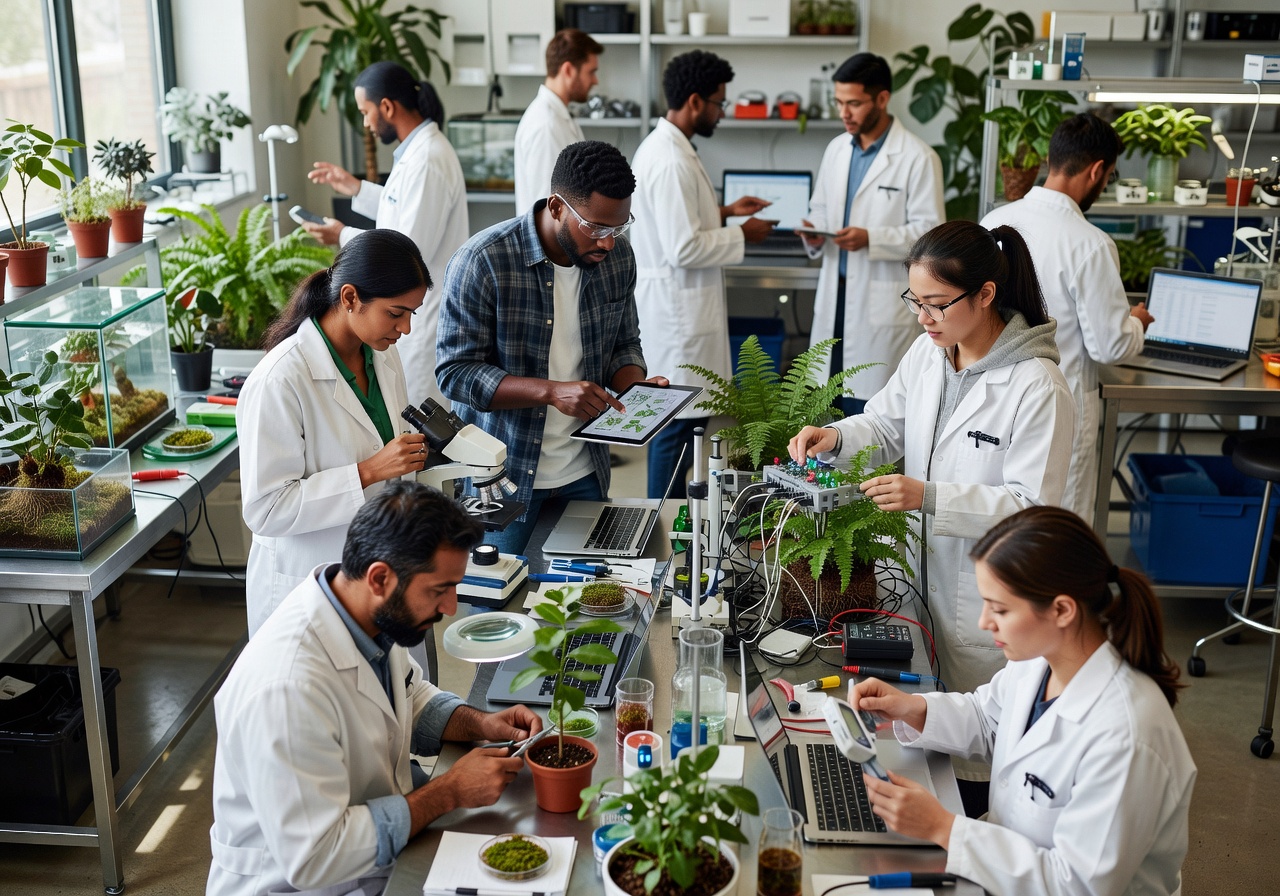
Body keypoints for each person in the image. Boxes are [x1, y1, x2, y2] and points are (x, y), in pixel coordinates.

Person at [789, 220, 1075, 811]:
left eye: (937, 304)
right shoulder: (930, 352)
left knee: (977, 767)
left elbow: (1034, 509)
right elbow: (886, 422)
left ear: (987, 294)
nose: (923, 317)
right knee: (922, 740)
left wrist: (931, 497)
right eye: (915, 302)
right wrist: (833, 437)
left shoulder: (1036, 385)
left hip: (983, 608)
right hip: (919, 588)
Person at [208, 481, 539, 896]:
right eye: (439, 590)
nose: (451, 607)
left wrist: (481, 724)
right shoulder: (287, 689)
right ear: (380, 577)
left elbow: (408, 694)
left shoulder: (364, 615)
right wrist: (449, 791)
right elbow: (317, 855)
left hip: (372, 862)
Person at [854, 506, 1196, 896]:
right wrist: (914, 708)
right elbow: (989, 719)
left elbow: (1079, 886)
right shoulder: (1040, 661)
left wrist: (943, 827)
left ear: (1062, 610)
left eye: (999, 609)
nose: (985, 622)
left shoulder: (1126, 738)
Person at [436, 140, 667, 554]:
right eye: (596, 227)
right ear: (557, 206)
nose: (607, 242)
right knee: (499, 607)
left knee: (583, 606)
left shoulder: (616, 258)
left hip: (585, 472)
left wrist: (637, 387)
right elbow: (455, 374)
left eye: (618, 227)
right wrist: (551, 391)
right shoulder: (483, 261)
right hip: (502, 481)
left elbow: (624, 343)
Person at [238, 230, 432, 635]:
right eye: (396, 313)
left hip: (381, 569)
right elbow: (265, 509)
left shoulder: (383, 353)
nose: (407, 328)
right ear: (349, 299)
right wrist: (368, 471)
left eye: (412, 313)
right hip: (309, 585)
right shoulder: (280, 380)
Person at [981, 112, 1155, 519]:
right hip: (1060, 405)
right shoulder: (1090, 243)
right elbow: (1110, 345)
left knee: (1000, 518)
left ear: (1050, 159)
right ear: (1098, 170)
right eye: (1109, 175)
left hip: (993, 398)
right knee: (1058, 527)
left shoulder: (994, 221)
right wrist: (1137, 323)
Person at [630, 50, 775, 497]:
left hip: (680, 311)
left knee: (681, 427)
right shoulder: (670, 158)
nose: (720, 112)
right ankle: (664, 526)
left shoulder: (671, 148)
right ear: (695, 101)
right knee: (675, 431)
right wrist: (742, 233)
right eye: (718, 103)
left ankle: (674, 526)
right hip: (678, 318)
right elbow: (684, 246)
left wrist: (725, 211)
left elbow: (675, 219)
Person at [301, 60, 468, 408]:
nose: (366, 123)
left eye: (366, 112)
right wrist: (355, 187)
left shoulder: (427, 159)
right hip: (410, 311)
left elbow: (405, 254)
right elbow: (401, 207)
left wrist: (341, 234)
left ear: (387, 107)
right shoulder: (418, 153)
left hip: (421, 320)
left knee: (422, 424)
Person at [799, 52, 945, 413]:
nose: (844, 113)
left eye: (854, 103)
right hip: (835, 298)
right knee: (825, 408)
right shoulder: (835, 150)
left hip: (880, 304)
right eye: (839, 103)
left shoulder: (918, 157)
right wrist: (814, 233)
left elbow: (931, 236)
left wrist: (871, 238)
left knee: (869, 413)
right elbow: (819, 209)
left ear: (882, 99)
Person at [513, 28, 602, 215]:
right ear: (568, 70)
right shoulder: (546, 125)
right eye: (591, 72)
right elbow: (548, 209)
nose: (595, 81)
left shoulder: (558, 117)